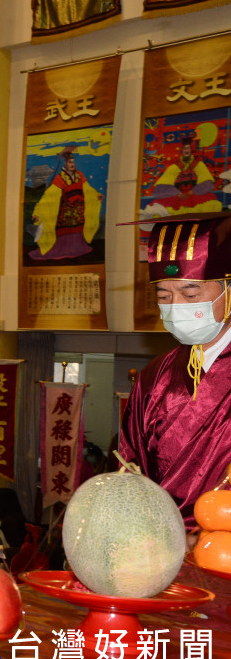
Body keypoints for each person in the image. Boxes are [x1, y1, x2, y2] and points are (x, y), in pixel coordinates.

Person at [120, 214, 231, 522]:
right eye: (164, 297)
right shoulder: (154, 377)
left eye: (190, 294)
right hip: (160, 548)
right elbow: (131, 466)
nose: (176, 307)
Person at [30, 147, 102, 261]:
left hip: (78, 210)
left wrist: (96, 195)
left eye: (73, 162)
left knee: (78, 229)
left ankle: (79, 248)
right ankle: (61, 250)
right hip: (65, 211)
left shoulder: (79, 175)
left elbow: (87, 189)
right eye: (69, 162)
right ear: (65, 163)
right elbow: (48, 197)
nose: (72, 164)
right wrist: (38, 214)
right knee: (65, 232)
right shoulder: (60, 178)